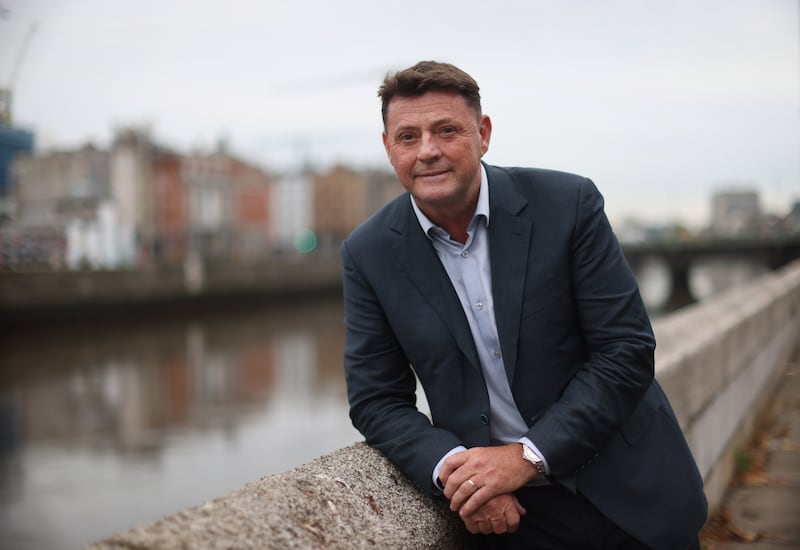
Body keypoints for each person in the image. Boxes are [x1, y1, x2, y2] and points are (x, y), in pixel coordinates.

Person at [342, 60, 707, 549]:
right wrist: (457, 473)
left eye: (447, 130)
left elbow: (625, 350)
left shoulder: (568, 204)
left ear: (483, 134)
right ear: (389, 148)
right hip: (512, 520)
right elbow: (377, 399)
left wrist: (525, 456)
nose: (427, 151)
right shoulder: (368, 253)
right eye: (408, 137)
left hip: (631, 490)